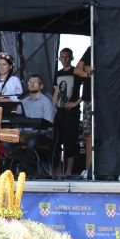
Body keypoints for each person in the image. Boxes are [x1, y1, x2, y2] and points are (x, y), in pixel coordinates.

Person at [52, 47, 83, 177]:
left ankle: (69, 171)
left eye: (66, 57)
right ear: (59, 59)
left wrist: (76, 103)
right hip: (60, 111)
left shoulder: (76, 72)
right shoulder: (58, 73)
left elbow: (86, 89)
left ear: (71, 58)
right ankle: (59, 170)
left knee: (70, 141)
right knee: (57, 140)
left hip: (72, 112)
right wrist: (54, 103)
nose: (64, 60)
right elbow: (56, 90)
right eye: (62, 57)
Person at [74, 46, 92, 178]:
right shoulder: (92, 49)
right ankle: (89, 169)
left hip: (109, 98)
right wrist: (89, 73)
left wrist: (89, 69)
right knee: (88, 136)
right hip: (89, 99)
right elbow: (77, 70)